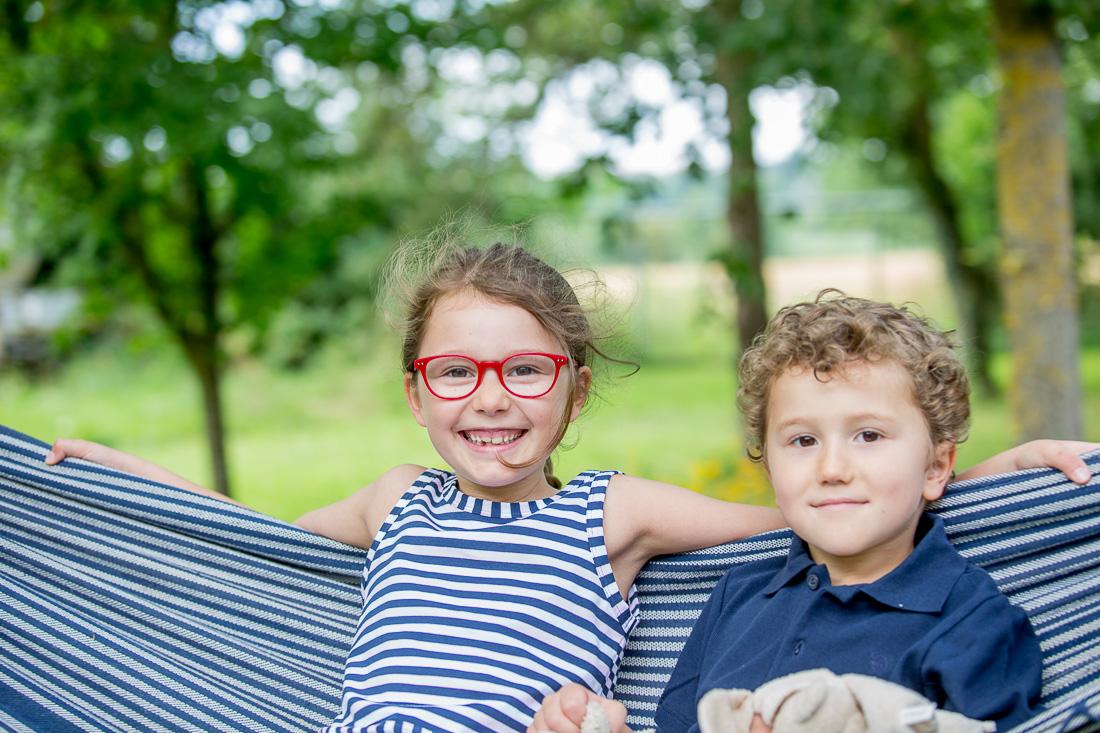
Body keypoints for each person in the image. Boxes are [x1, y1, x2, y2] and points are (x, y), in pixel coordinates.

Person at [44, 247, 1092, 733]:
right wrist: (126, 488)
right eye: (453, 371)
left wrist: (979, 478)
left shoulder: (611, 508)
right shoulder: (392, 499)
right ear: (416, 392)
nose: (487, 400)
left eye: (525, 370)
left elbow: (815, 506)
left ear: (574, 389)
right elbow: (245, 545)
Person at [531, 292, 1060, 733]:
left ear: (936, 466)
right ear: (769, 470)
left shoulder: (973, 621)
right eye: (803, 440)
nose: (831, 468)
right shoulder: (737, 597)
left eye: (869, 435)